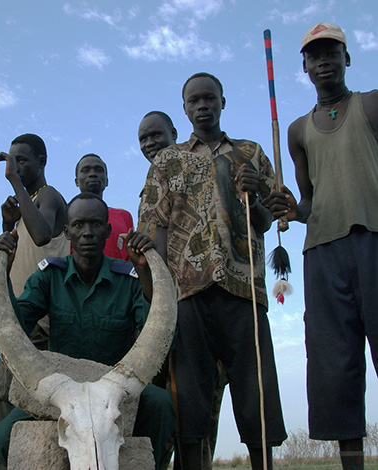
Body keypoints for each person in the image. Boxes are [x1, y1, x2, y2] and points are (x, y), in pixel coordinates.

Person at [139, 73, 287, 469]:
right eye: (194, 100)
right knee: (189, 399)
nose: (202, 105)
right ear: (184, 108)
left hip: (245, 290)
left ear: (223, 102)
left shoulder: (251, 152)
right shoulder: (168, 162)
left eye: (209, 98)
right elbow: (156, 226)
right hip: (188, 292)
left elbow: (265, 222)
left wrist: (255, 194)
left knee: (256, 393)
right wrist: (163, 291)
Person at [0, 192, 176, 470]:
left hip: (115, 391)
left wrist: (146, 272)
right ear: (67, 231)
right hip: (60, 392)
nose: (87, 233)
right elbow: (15, 325)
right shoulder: (49, 275)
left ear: (108, 230)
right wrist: (4, 269)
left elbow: (156, 335)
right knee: (2, 437)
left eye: (96, 224)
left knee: (161, 404)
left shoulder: (129, 277)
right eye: (78, 225)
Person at [268, 23, 378, 470]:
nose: (324, 61)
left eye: (332, 52)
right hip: (322, 253)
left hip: (372, 238)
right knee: (335, 364)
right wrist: (290, 209)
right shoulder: (297, 131)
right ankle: (351, 463)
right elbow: (310, 202)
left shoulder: (371, 104)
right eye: (314, 56)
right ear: (305, 68)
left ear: (347, 59)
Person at [0, 134, 70, 470]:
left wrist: (15, 182)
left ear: (42, 161)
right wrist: (8, 224)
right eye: (11, 161)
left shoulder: (48, 196)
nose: (14, 167)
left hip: (41, 330)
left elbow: (44, 234)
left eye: (22, 161)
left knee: (6, 411)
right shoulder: (27, 206)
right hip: (19, 328)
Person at [74, 153, 133, 260]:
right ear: (76, 181)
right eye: (85, 170)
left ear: (106, 181)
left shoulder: (124, 216)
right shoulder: (68, 217)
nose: (93, 174)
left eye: (99, 170)